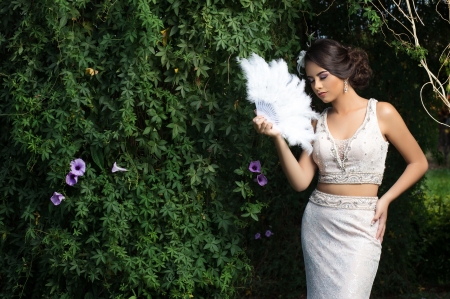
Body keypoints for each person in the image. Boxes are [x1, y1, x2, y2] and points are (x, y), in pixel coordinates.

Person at [252, 39, 428, 298]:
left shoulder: (383, 113)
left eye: (322, 76)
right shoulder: (316, 124)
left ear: (344, 71)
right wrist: (278, 137)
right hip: (318, 224)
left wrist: (387, 199)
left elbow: (419, 162)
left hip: (362, 225)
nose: (317, 86)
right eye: (311, 80)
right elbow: (301, 181)